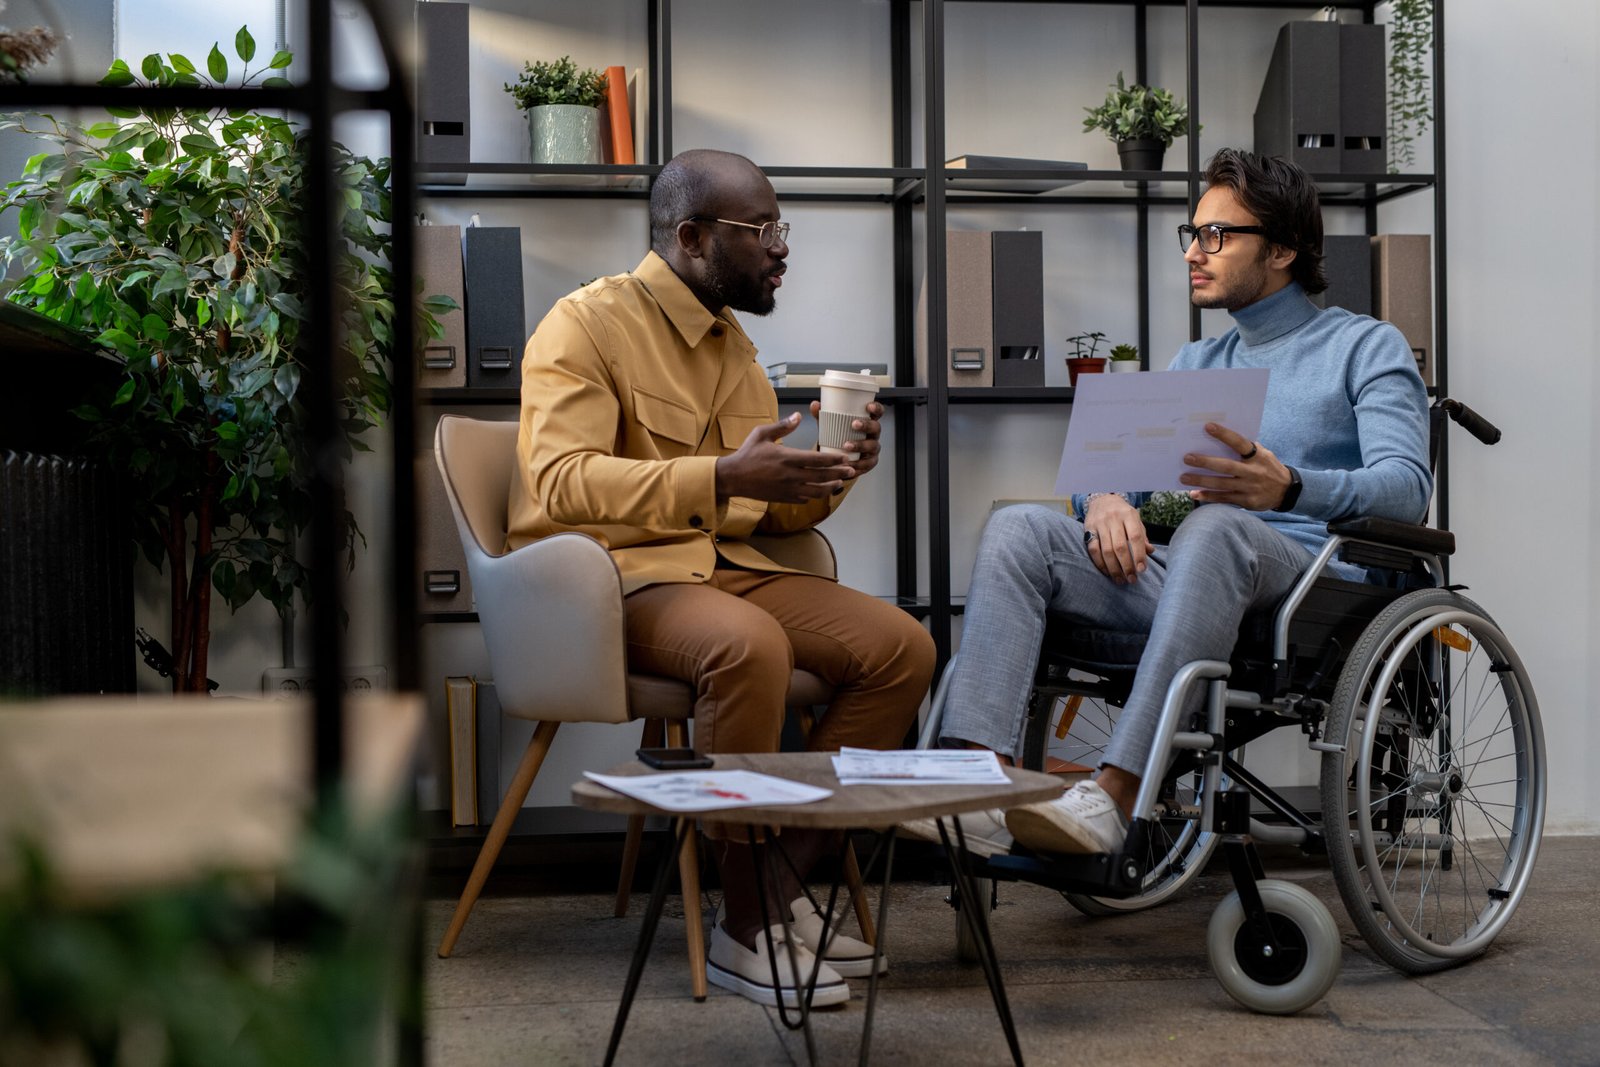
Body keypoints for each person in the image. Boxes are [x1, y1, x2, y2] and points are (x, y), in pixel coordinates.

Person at [909, 147, 1431, 859]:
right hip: (1189, 574)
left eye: (1217, 235)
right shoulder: (1196, 363)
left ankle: (1114, 796)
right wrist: (1102, 503)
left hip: (1310, 591)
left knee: (1217, 526)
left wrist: (1291, 486)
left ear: (1282, 249)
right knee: (1020, 527)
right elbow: (1114, 475)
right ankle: (979, 786)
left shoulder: (1365, 346)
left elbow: (1408, 488)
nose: (1194, 250)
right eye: (1192, 232)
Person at [507, 148, 935, 1007]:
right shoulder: (584, 324)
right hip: (611, 580)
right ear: (693, 236)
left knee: (903, 648)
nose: (782, 247)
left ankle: (775, 886)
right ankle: (749, 927)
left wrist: (826, 477)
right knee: (748, 648)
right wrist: (721, 478)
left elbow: (757, 512)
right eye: (764, 228)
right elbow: (561, 482)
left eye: (783, 227)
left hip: (726, 568)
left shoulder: (735, 344)